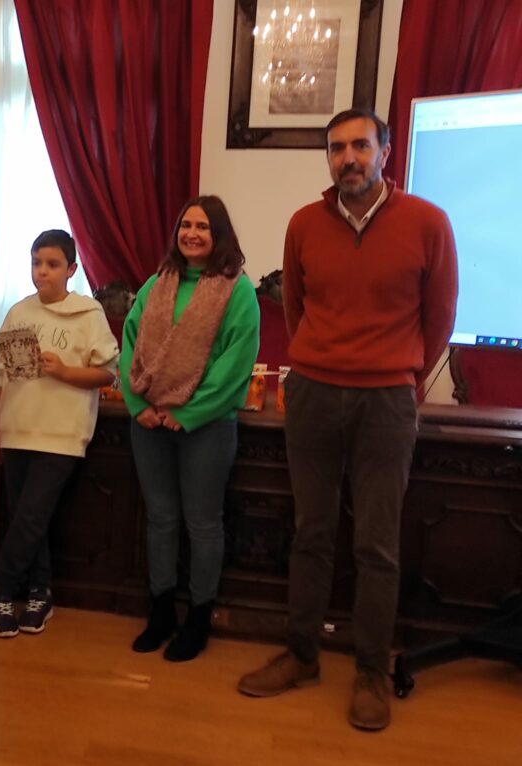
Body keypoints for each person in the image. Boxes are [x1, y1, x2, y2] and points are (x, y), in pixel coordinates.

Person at [237, 109, 458, 731]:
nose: (348, 158)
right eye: (337, 149)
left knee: (376, 544)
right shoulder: (304, 224)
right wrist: (318, 363)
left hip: (386, 400)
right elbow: (297, 307)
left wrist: (402, 375)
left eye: (361, 145)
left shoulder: (428, 223)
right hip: (312, 393)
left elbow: (440, 315)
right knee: (310, 531)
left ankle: (370, 672)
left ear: (385, 151)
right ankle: (302, 655)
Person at [119, 195, 260, 662]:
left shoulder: (237, 291)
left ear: (219, 235)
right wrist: (138, 404)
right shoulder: (156, 284)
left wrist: (189, 412)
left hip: (207, 426)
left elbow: (235, 363)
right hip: (149, 422)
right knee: (160, 518)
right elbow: (130, 344)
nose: (192, 234)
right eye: (186, 226)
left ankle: (198, 620)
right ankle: (161, 612)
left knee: (202, 522)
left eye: (203, 227)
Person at [0, 229, 119, 638]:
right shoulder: (18, 312)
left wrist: (64, 371)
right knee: (29, 517)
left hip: (61, 433)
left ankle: (1, 589)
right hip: (17, 428)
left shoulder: (88, 313)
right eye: (36, 263)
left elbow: (107, 373)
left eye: (52, 264)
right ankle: (40, 592)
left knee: (31, 514)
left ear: (71, 269)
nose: (42, 271)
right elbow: (1, 373)